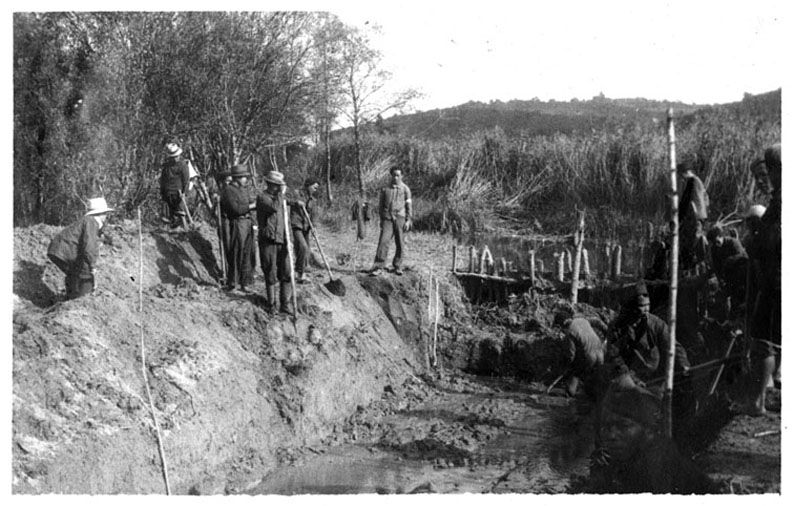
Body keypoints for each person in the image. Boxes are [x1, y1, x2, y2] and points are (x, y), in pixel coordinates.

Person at [746, 144, 781, 416]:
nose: (766, 177)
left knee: (763, 340)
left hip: (775, 279)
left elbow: (770, 243)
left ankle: (758, 400)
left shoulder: (780, 202)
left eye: (768, 171)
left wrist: (756, 240)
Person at [47, 197, 113, 300]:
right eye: (104, 213)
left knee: (75, 272)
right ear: (99, 214)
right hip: (64, 251)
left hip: (58, 250)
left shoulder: (87, 221)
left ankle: (71, 298)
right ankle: (82, 299)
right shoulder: (91, 222)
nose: (106, 216)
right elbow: (89, 247)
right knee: (85, 273)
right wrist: (92, 266)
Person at [256, 170, 293, 314]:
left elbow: (286, 209)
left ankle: (285, 304)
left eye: (280, 186)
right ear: (270, 185)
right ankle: (271, 305)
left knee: (287, 272)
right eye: (277, 185)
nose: (279, 188)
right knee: (270, 272)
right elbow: (274, 207)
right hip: (268, 240)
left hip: (282, 240)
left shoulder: (280, 198)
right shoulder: (263, 198)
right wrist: (281, 194)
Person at [220, 164, 256, 292]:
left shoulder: (243, 189)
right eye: (244, 177)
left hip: (247, 222)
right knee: (237, 252)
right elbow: (236, 209)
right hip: (237, 223)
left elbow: (250, 201)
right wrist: (252, 206)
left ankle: (245, 282)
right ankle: (233, 282)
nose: (246, 180)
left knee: (248, 252)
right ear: (237, 178)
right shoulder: (229, 191)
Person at [370, 167, 413, 276]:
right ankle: (379, 266)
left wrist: (408, 220)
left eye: (398, 175)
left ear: (401, 176)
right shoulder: (385, 189)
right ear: (391, 175)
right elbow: (380, 205)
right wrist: (381, 219)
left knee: (400, 242)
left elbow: (409, 205)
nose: (395, 177)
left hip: (400, 218)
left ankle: (397, 266)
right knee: (383, 241)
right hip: (387, 218)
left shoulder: (405, 189)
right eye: (394, 175)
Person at [706, 224, 748, 315]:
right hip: (728, 279)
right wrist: (720, 280)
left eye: (716, 240)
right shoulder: (714, 249)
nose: (715, 244)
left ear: (721, 236)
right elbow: (716, 267)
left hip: (740, 277)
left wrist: (731, 260)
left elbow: (744, 258)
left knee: (740, 301)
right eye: (713, 242)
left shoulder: (732, 242)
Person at [677, 160, 709, 272]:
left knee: (692, 244)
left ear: (686, 172)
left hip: (694, 218)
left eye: (681, 173)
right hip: (697, 218)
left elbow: (689, 202)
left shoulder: (693, 181)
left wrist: (680, 218)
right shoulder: (695, 182)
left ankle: (692, 270)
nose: (680, 177)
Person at [289, 178, 320, 284]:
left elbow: (314, 215)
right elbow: (285, 200)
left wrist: (314, 227)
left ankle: (300, 270)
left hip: (306, 227)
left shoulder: (313, 200)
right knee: (303, 247)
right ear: (308, 185)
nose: (315, 189)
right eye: (314, 187)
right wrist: (296, 202)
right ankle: (300, 273)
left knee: (303, 249)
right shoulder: (296, 193)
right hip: (296, 225)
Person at [159, 142, 191, 229]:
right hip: (168, 192)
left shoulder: (183, 165)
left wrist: (185, 192)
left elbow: (186, 180)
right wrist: (162, 192)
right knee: (167, 215)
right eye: (173, 157)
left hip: (178, 193)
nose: (175, 159)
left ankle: (184, 230)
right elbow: (163, 180)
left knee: (180, 213)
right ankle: (168, 230)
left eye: (176, 156)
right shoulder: (166, 166)